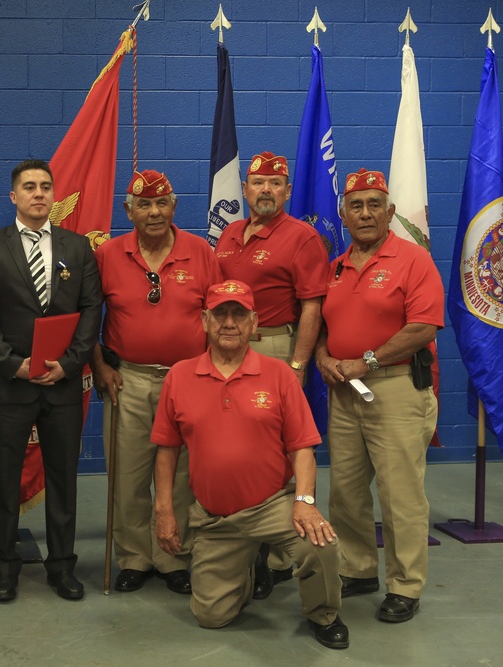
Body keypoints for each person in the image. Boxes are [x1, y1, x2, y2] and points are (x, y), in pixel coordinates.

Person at [151, 280, 348, 650]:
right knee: (211, 617)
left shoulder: (279, 376)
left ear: (254, 323)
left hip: (272, 504)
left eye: (239, 314)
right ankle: (249, 563)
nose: (229, 323)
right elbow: (166, 449)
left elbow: (303, 447)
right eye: (220, 314)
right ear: (205, 321)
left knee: (320, 545)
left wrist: (304, 502)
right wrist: (163, 509)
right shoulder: (179, 376)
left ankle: (324, 614)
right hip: (215, 516)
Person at [0, 158, 102, 603]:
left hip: (62, 384)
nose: (39, 193)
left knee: (64, 479)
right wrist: (13, 363)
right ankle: (4, 569)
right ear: (14, 196)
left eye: (45, 186)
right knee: (6, 480)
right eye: (29, 187)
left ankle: (62, 568)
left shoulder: (77, 247)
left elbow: (90, 310)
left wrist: (70, 362)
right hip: (13, 384)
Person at [314, 168, 441, 623]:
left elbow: (423, 326)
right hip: (344, 392)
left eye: (374, 205)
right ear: (343, 213)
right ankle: (359, 568)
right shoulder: (337, 265)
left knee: (400, 494)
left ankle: (405, 585)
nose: (365, 213)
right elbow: (325, 327)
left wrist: (365, 362)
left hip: (396, 389)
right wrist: (325, 357)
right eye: (356, 205)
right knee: (346, 492)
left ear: (389, 212)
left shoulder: (413, 260)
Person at [91, 169, 221, 594]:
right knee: (127, 475)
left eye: (161, 203)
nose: (154, 212)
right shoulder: (109, 254)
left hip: (188, 382)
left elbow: (220, 319)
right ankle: (134, 557)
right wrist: (100, 367)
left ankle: (173, 556)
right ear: (128, 210)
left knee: (182, 475)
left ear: (174, 206)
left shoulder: (200, 252)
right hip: (126, 380)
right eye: (143, 204)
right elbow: (88, 321)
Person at [214, 150, 330, 596]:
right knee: (236, 447)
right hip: (227, 350)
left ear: (286, 190)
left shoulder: (301, 238)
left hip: (277, 348)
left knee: (278, 452)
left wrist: (297, 365)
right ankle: (245, 548)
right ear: (244, 189)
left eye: (275, 184)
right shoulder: (229, 233)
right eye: (257, 183)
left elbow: (312, 307)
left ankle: (278, 558)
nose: (265, 190)